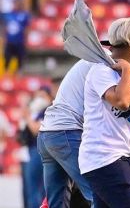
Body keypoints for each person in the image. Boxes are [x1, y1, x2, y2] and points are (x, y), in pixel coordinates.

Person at [78, 17, 130, 207]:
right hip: (104, 158)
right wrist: (126, 68)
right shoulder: (102, 70)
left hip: (117, 156)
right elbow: (122, 102)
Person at [37, 60, 94, 208]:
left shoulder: (85, 64)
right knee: (97, 192)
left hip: (46, 134)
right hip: (65, 133)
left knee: (57, 202)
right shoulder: (105, 64)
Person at [0, 0, 30, 73]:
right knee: (7, 59)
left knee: (20, 59)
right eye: (15, 3)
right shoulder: (8, 15)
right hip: (10, 41)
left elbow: (26, 29)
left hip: (19, 41)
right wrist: (4, 39)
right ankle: (6, 75)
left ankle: (19, 74)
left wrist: (26, 40)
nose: (17, 5)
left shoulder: (24, 15)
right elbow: (5, 28)